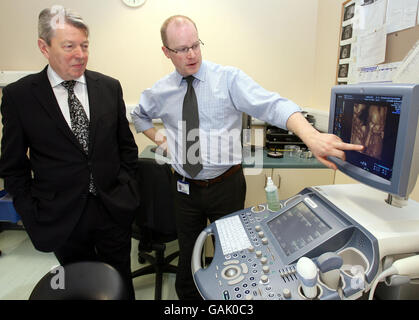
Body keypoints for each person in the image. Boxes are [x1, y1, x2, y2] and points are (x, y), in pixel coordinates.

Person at [130, 15, 364, 299]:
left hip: (226, 186)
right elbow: (138, 115)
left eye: (195, 45)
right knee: (188, 257)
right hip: (184, 190)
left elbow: (273, 105)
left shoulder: (228, 79)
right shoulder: (160, 91)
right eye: (181, 49)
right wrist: (159, 138)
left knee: (234, 258)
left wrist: (310, 135)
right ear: (166, 52)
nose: (191, 54)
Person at [0, 7, 140, 299]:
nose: (80, 54)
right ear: (44, 47)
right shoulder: (20, 97)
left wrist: (127, 188)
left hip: (112, 209)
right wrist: (32, 212)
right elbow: (13, 166)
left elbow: (126, 147)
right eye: (69, 46)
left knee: (121, 285)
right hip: (61, 216)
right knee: (79, 288)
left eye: (84, 45)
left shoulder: (108, 87)